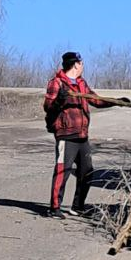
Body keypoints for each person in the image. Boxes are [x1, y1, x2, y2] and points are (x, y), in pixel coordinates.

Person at [42, 51, 116, 217]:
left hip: (82, 135)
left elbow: (95, 100)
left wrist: (116, 101)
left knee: (87, 171)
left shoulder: (81, 83)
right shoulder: (57, 83)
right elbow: (48, 106)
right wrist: (60, 99)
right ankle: (54, 208)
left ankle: (78, 206)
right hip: (66, 135)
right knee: (63, 171)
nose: (83, 66)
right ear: (76, 64)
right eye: (81, 63)